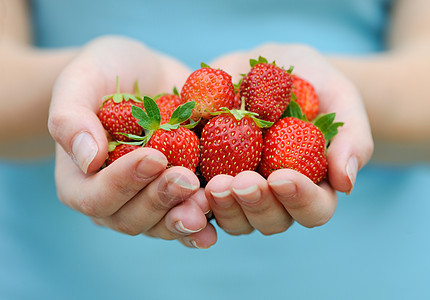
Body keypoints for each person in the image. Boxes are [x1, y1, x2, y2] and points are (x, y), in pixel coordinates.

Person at [1, 0, 429, 299]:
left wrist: (344, 91)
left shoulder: (267, 117)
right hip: (61, 279)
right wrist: (74, 92)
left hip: (363, 279)